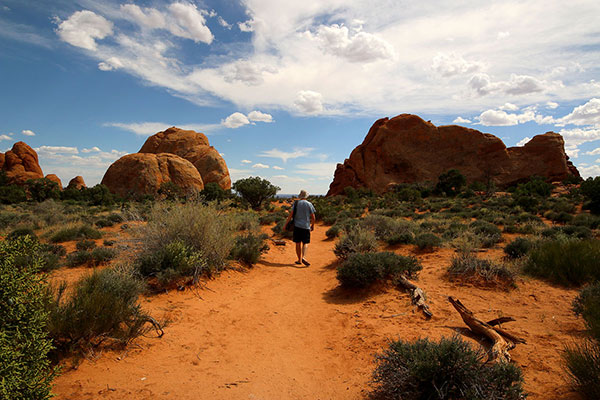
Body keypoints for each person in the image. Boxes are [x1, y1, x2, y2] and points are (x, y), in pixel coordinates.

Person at [284, 189, 316, 266]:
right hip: (306, 226)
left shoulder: (296, 203)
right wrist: (312, 225)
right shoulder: (309, 204)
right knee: (305, 243)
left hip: (297, 226)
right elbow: (313, 217)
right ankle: (304, 257)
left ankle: (299, 260)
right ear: (306, 196)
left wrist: (285, 225)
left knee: (298, 243)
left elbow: (290, 215)